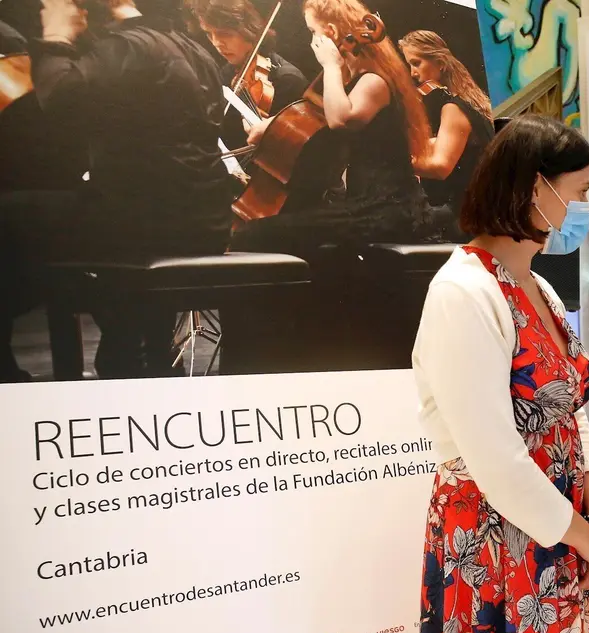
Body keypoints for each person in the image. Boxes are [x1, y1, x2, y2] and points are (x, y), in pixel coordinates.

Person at [411, 114, 589, 633]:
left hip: (557, 525)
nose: (580, 208)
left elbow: (569, 408)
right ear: (535, 190)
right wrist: (584, 535)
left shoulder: (538, 288)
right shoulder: (462, 293)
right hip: (495, 538)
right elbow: (494, 456)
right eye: (576, 193)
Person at [0, 0, 232, 381]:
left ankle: (11, 378)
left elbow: (59, 99)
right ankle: (130, 346)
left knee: (9, 218)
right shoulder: (189, 45)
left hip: (151, 222)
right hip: (203, 220)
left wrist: (57, 35)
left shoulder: (128, 47)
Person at [232, 0, 441, 254]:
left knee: (259, 233)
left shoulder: (374, 80)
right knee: (270, 229)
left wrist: (331, 64)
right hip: (367, 205)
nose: (311, 40)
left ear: (330, 31)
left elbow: (340, 120)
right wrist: (270, 127)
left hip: (387, 210)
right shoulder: (352, 79)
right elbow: (315, 114)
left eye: (312, 31)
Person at [399, 29, 494, 226]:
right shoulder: (472, 103)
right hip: (476, 210)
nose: (412, 73)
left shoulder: (453, 108)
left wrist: (394, 163)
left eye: (416, 63)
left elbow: (441, 167)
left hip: (460, 215)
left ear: (440, 64)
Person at [188, 0, 308, 153]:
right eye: (209, 34)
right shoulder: (228, 72)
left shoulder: (287, 80)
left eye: (225, 33)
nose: (216, 43)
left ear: (250, 29)